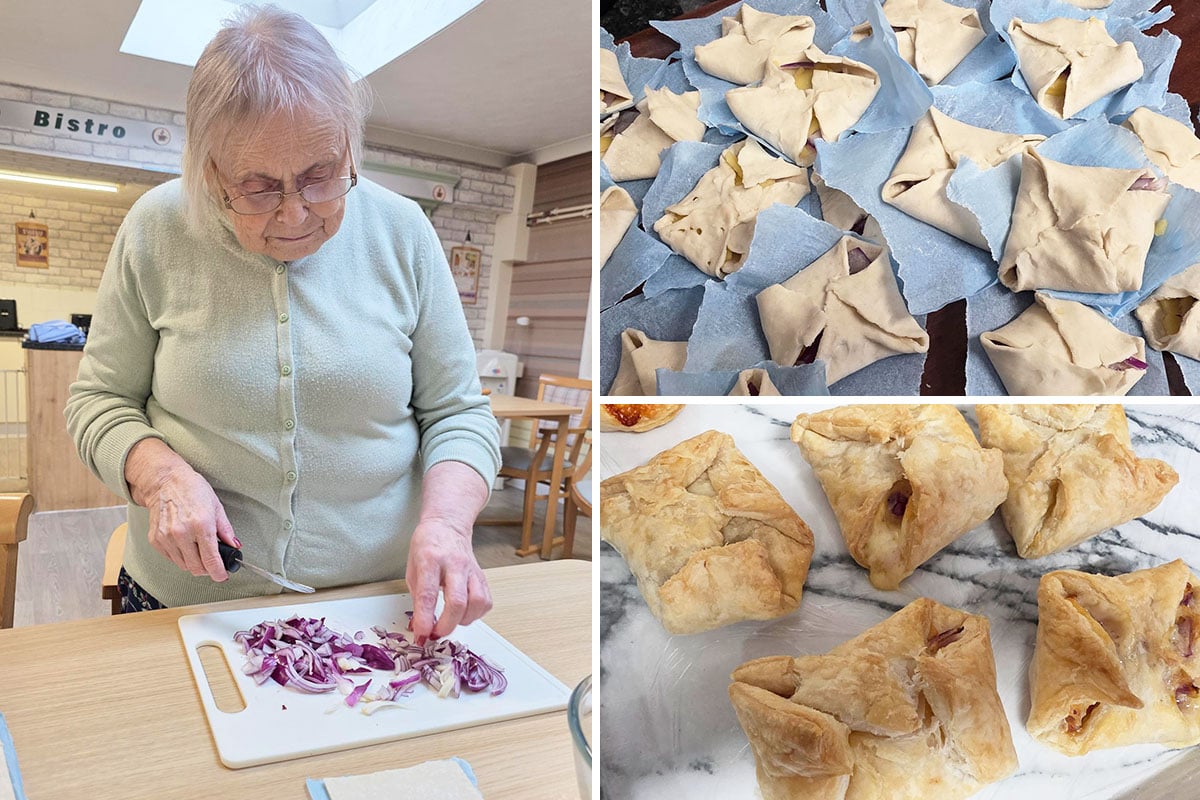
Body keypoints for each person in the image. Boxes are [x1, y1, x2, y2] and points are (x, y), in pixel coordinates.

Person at [65, 6, 501, 641]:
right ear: (208, 170)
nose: (296, 213)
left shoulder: (405, 232)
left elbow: (458, 413)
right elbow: (99, 401)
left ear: (349, 145)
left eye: (321, 176)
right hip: (189, 601)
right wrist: (160, 475)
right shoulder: (156, 229)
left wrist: (447, 525)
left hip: (378, 604)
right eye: (260, 187)